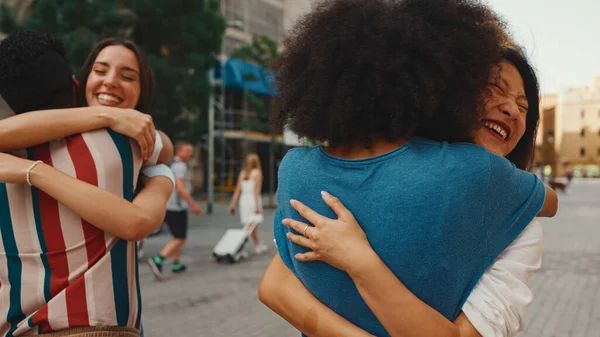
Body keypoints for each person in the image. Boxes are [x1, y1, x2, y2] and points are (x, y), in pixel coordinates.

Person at [257, 1, 557, 336]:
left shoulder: (298, 169)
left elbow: (276, 286)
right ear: (446, 88)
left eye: (523, 106)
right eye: (495, 89)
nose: (512, 110)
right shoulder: (480, 176)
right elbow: (275, 285)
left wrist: (359, 262)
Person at [0, 30, 174, 336]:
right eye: (101, 70)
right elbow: (163, 155)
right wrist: (162, 177)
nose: (110, 81)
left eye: (128, 76)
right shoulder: (123, 144)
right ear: (76, 83)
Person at [148, 141, 203, 280]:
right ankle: (158, 259)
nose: (190, 153)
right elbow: (180, 188)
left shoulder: (173, 164)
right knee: (180, 238)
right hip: (177, 206)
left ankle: (176, 263)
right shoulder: (180, 167)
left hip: (169, 205)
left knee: (176, 235)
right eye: (187, 151)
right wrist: (193, 204)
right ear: (178, 151)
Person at [229, 153, 268, 254]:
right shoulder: (257, 173)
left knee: (250, 225)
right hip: (252, 200)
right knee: (250, 226)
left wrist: (233, 204)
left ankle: (257, 245)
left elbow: (237, 190)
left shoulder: (243, 173)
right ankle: (241, 247)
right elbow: (256, 191)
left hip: (243, 199)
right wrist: (257, 206)